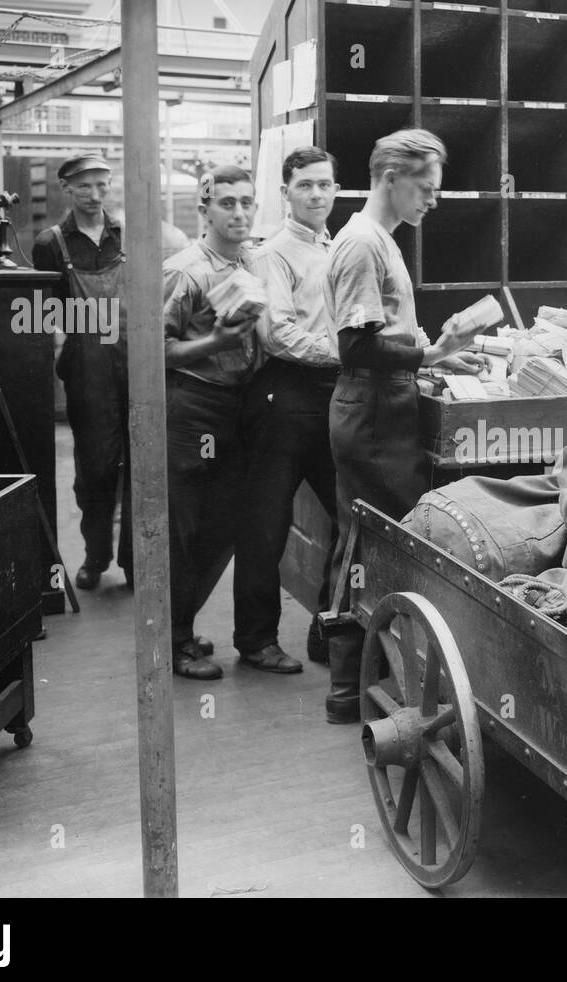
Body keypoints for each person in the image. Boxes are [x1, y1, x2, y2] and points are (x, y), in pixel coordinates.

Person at [322, 128, 483, 723]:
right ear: (391, 178)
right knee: (369, 540)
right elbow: (354, 346)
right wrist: (434, 354)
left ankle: (360, 683)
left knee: (370, 539)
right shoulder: (363, 242)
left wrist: (435, 354)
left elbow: (379, 333)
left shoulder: (381, 239)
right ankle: (349, 690)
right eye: (426, 187)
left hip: (383, 404)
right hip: (372, 412)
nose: (433, 201)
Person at [232, 147, 342, 673]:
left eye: (324, 185)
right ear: (286, 193)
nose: (316, 194)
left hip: (329, 395)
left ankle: (329, 628)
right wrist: (347, 353)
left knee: (349, 513)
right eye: (305, 186)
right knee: (265, 524)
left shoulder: (335, 247)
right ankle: (255, 641)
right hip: (283, 395)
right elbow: (277, 335)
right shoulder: (271, 253)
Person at [162, 165, 263, 680]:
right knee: (184, 528)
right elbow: (155, 350)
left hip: (236, 407)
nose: (239, 212)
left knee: (223, 527)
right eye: (227, 203)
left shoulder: (250, 261)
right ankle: (175, 639)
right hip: (193, 405)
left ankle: (178, 626)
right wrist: (216, 344)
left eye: (247, 201)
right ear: (204, 209)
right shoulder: (185, 270)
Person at [33, 154, 131, 591]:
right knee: (96, 467)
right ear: (66, 189)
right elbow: (42, 313)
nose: (95, 195)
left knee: (143, 463)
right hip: (87, 368)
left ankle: (135, 558)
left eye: (102, 185)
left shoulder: (128, 232)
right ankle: (96, 555)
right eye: (85, 186)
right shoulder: (49, 242)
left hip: (133, 360)